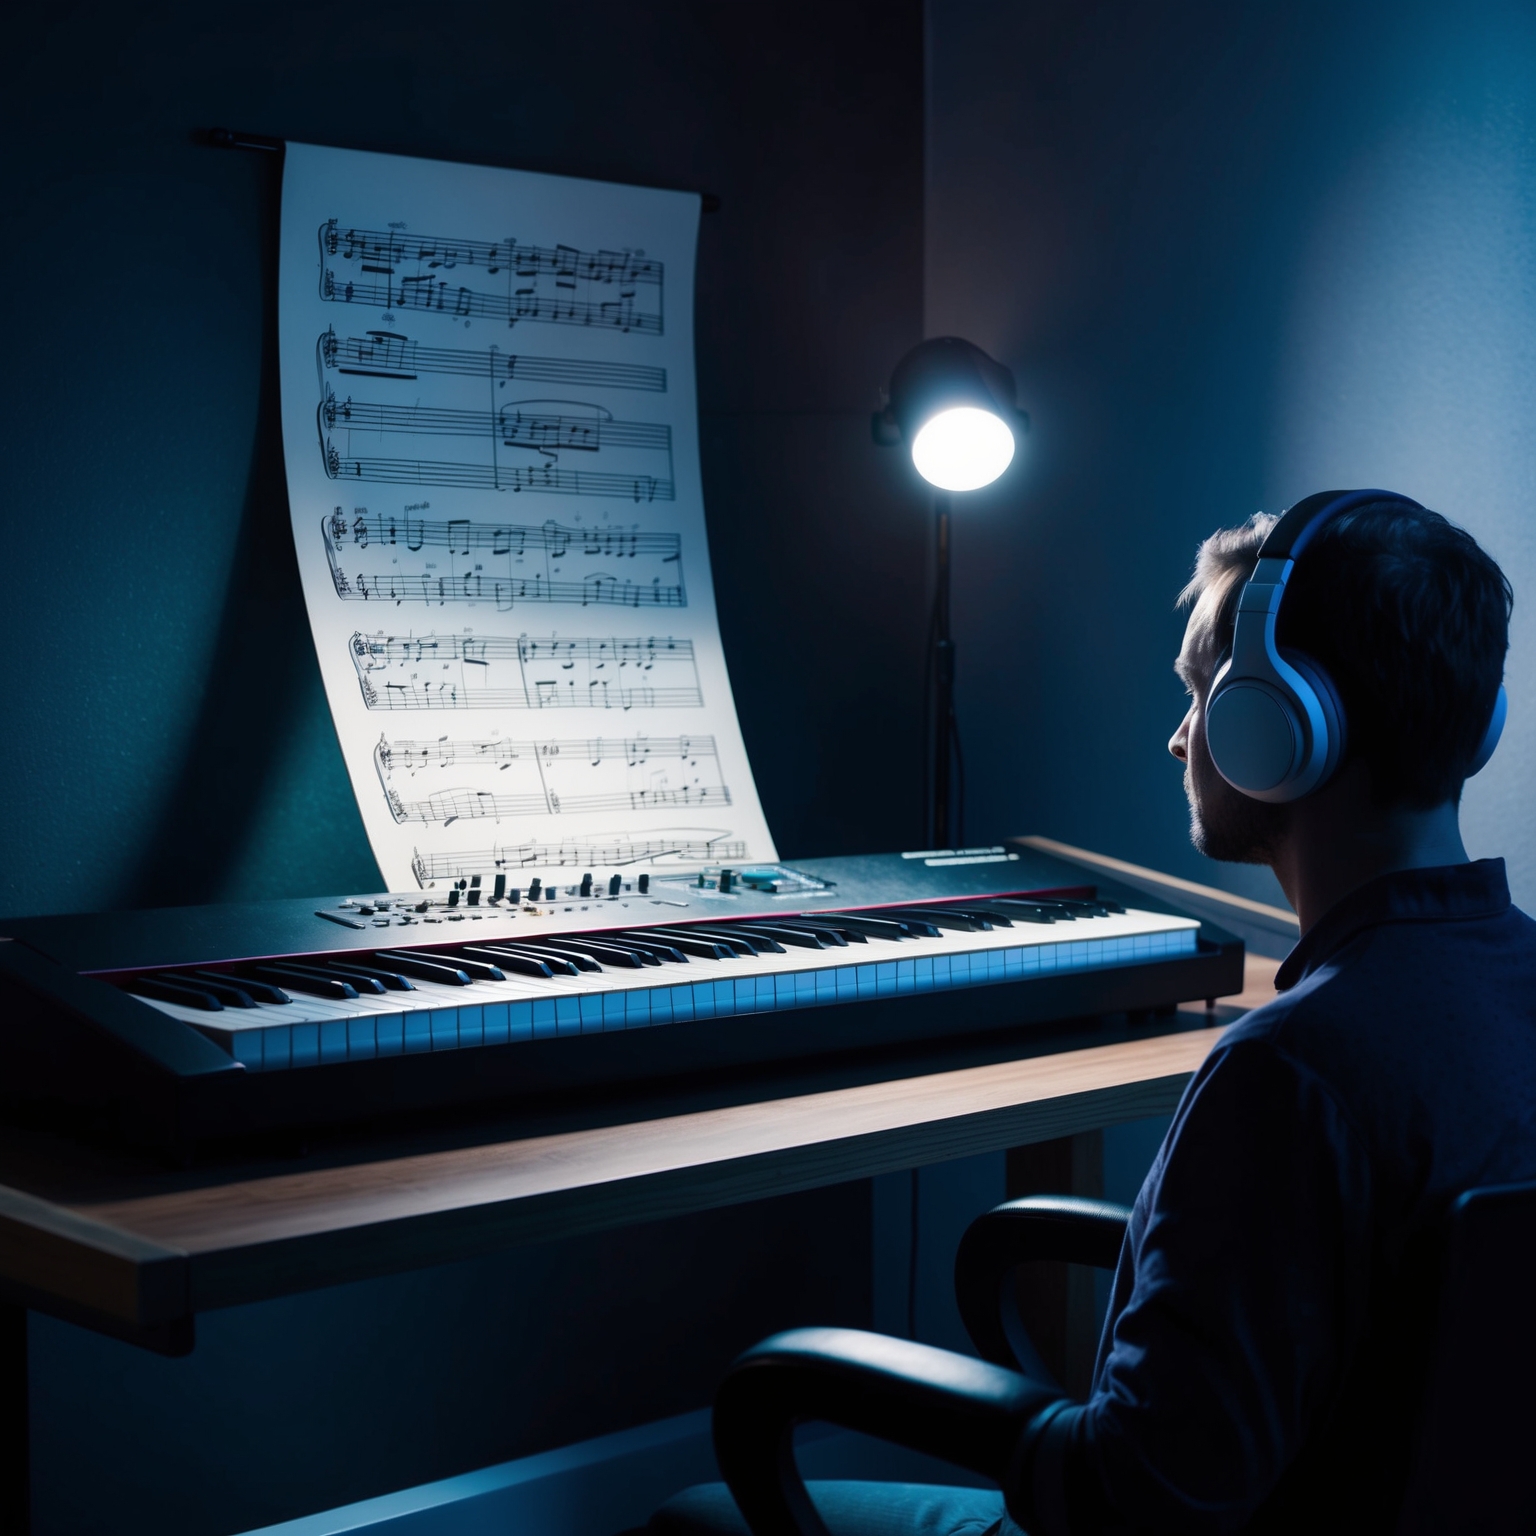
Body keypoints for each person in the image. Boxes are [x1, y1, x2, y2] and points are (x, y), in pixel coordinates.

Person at [653, 493, 1536, 1536]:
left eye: (1204, 694)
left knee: (688, 1518)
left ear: (1278, 726)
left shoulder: (1293, 1071)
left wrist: (1040, 1435)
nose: (1178, 739)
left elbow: (1141, 1501)